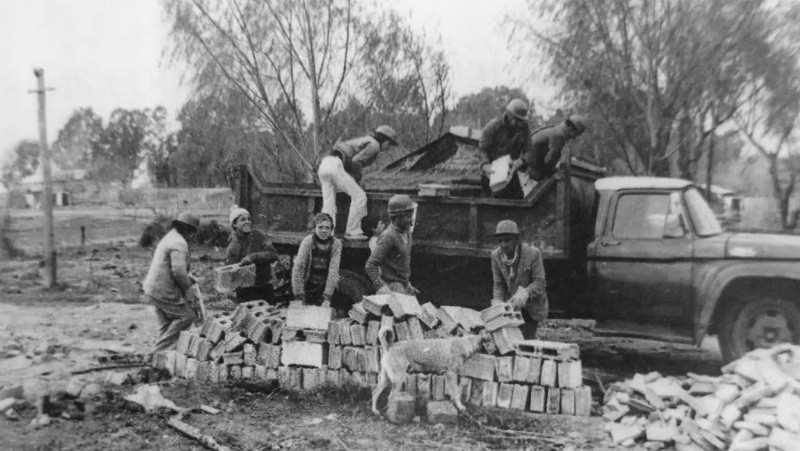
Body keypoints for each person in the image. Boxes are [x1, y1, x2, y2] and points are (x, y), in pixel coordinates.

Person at [318, 125, 399, 240]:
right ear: (384, 139)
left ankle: (325, 233)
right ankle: (352, 232)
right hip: (335, 165)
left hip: (325, 165)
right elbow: (355, 163)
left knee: (329, 203)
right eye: (389, 143)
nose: (389, 147)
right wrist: (358, 179)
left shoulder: (365, 140)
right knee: (360, 197)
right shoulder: (374, 144)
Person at [142, 211, 200, 352]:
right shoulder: (178, 243)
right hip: (163, 290)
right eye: (192, 232)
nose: (192, 236)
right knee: (187, 316)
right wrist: (188, 291)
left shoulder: (171, 237)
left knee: (167, 325)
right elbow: (178, 272)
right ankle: (157, 354)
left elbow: (172, 267)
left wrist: (189, 278)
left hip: (152, 289)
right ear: (187, 229)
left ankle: (160, 359)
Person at [490, 219, 548, 339]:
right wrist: (498, 302)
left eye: (507, 240)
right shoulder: (496, 256)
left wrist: (526, 292)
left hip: (532, 308)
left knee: (526, 342)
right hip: (513, 308)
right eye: (500, 241)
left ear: (516, 239)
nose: (503, 245)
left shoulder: (532, 254)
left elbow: (540, 283)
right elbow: (499, 284)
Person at [478, 99, 534, 199]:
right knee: (490, 207)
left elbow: (529, 150)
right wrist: (485, 165)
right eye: (517, 120)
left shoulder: (524, 128)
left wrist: (520, 162)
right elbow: (483, 149)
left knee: (519, 203)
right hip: (492, 173)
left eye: (522, 121)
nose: (520, 124)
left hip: (511, 172)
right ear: (509, 115)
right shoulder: (493, 126)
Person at [365, 194, 419, 296]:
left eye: (411, 216)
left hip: (403, 285)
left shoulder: (407, 232)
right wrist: (381, 287)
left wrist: (408, 287)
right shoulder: (388, 236)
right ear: (395, 218)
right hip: (391, 286)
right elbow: (370, 265)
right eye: (407, 217)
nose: (411, 220)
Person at [226, 207, 279, 303]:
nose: (247, 222)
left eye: (249, 219)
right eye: (243, 220)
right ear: (234, 224)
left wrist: (253, 257)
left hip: (264, 287)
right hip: (245, 291)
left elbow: (273, 254)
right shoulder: (231, 247)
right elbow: (232, 272)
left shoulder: (259, 236)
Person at [291, 213, 342, 307]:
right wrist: (299, 295)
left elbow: (333, 270)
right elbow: (299, 268)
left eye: (327, 228)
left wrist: (327, 296)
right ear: (315, 228)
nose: (324, 230)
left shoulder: (336, 244)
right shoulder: (308, 241)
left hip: (325, 286)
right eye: (320, 227)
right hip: (308, 286)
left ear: (331, 229)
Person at [519, 117, 586, 182]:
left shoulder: (555, 129)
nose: (574, 137)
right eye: (576, 134)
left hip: (525, 163)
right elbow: (550, 159)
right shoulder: (559, 135)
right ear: (571, 129)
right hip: (530, 171)